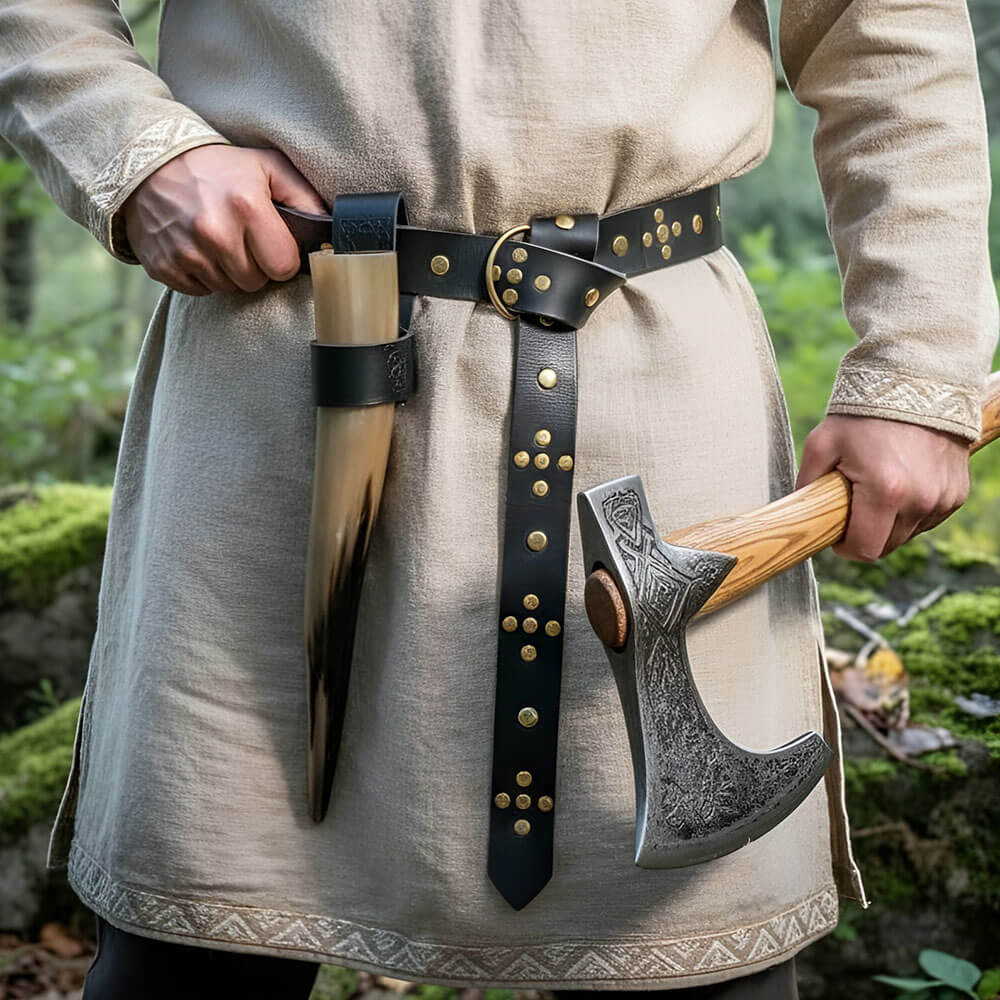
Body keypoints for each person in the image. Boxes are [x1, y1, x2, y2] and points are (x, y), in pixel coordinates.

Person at [0, 2, 995, 997]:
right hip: (273, 387)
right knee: (196, 937)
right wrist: (135, 150)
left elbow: (886, 29)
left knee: (687, 960)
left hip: (650, 402)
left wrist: (916, 367)